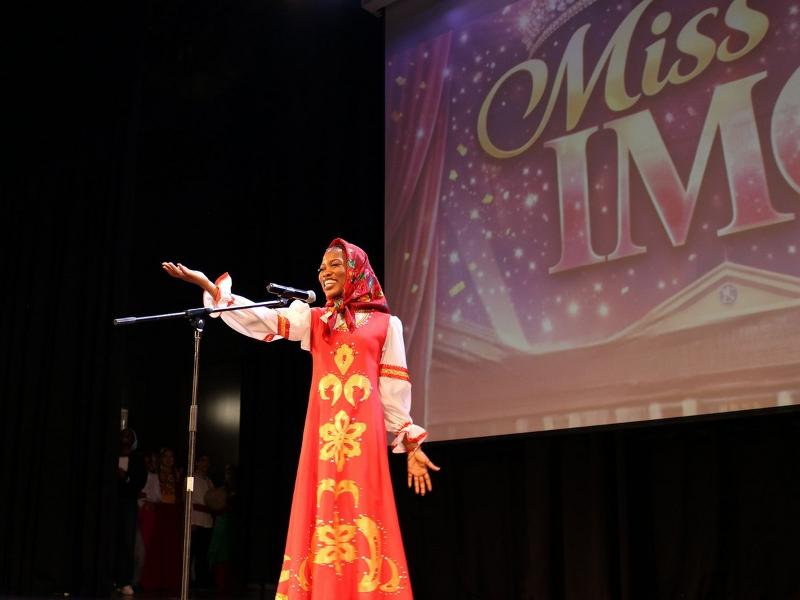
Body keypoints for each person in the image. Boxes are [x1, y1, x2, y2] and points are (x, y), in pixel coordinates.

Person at [162, 238, 439, 599]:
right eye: (322, 268)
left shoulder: (388, 325)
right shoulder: (315, 319)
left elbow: (392, 390)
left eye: (335, 265)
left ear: (356, 271)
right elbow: (260, 320)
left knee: (364, 508)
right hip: (323, 435)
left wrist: (410, 440)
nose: (325, 273)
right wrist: (208, 286)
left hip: (363, 436)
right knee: (321, 505)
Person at [116, 428, 147, 596]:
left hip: (128, 504)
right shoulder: (113, 456)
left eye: (129, 435)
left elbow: (139, 481)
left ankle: (124, 581)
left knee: (127, 543)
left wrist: (126, 478)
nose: (126, 438)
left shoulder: (137, 459)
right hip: (112, 503)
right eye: (123, 435)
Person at [190, 453, 215, 590]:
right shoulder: (191, 478)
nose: (205, 464)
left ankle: (201, 582)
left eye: (207, 461)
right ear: (197, 463)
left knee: (202, 554)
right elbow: (187, 499)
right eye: (203, 461)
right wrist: (191, 521)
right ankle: (189, 581)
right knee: (192, 553)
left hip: (207, 521)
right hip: (195, 520)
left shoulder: (209, 481)